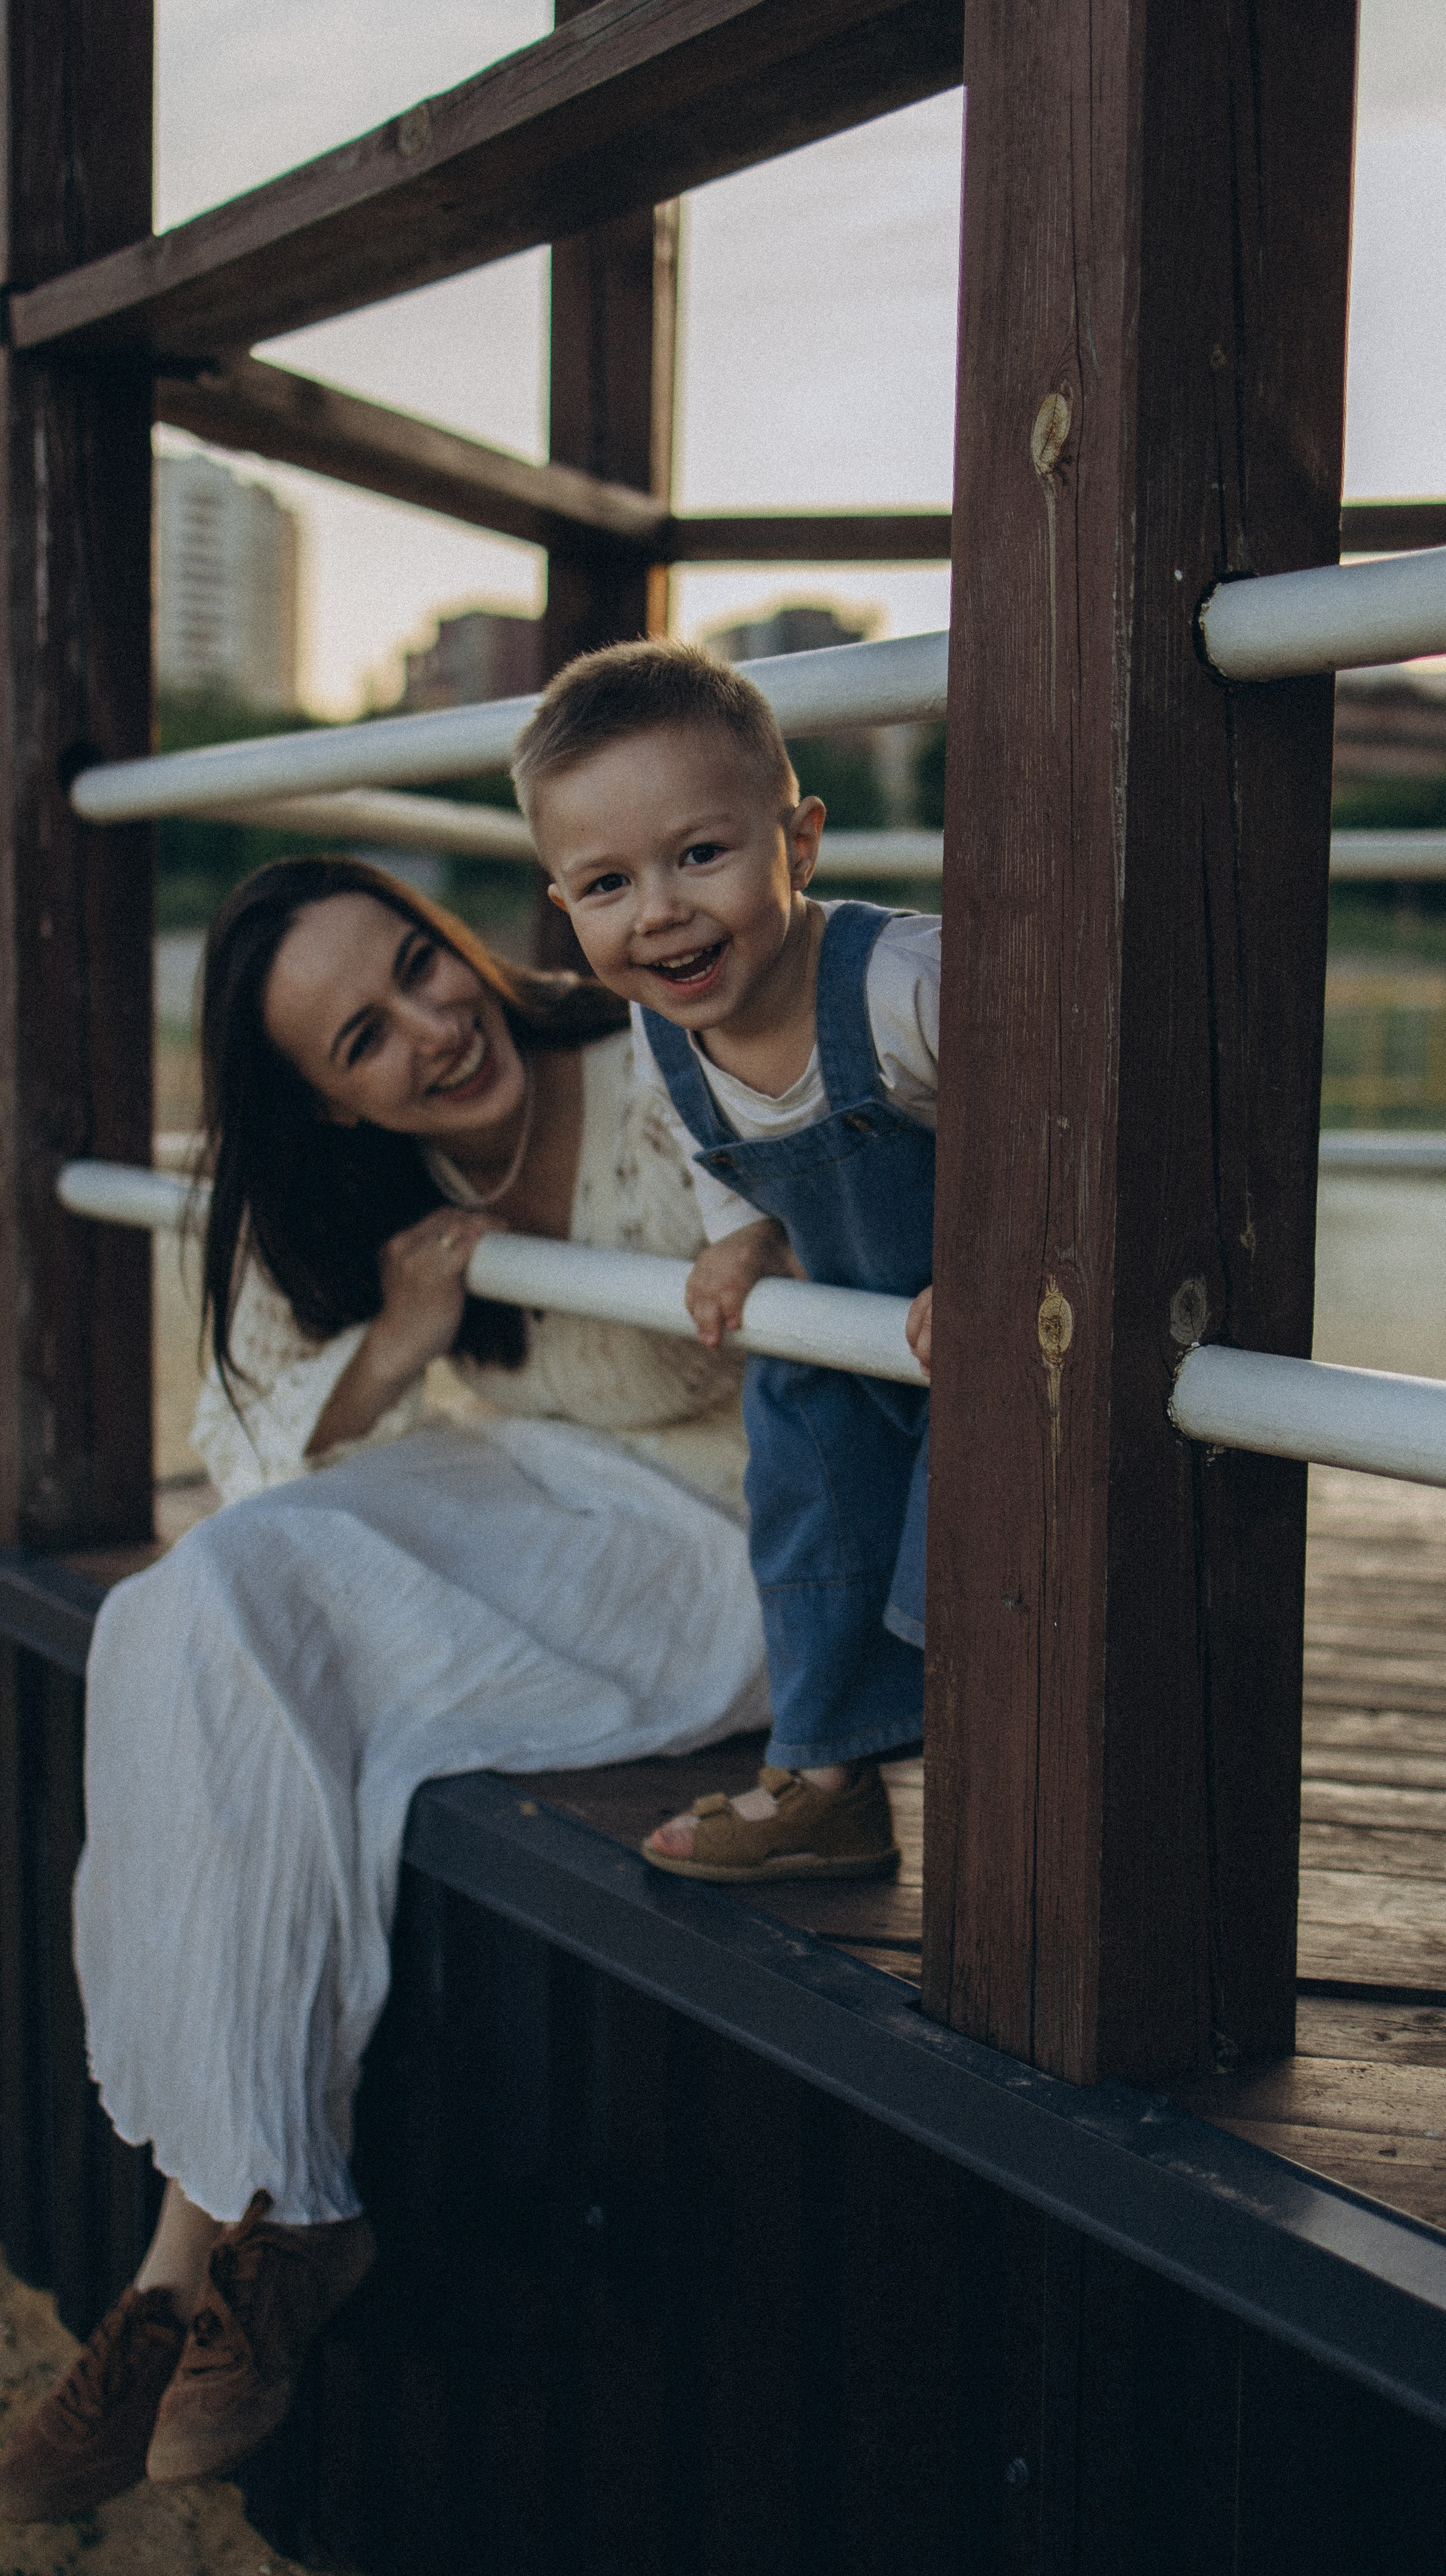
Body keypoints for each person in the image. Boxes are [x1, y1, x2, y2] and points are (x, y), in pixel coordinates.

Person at [0, 856, 769, 2522]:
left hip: (730, 1542)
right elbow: (245, 1448)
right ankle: (249, 2238)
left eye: (420, 964)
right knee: (197, 1598)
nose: (431, 1026)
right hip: (538, 1484)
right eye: (364, 1037)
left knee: (301, 1663)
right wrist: (408, 1329)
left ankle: (194, 2261)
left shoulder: (656, 1070)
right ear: (329, 1104)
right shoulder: (375, 1184)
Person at [520, 642, 937, 1890]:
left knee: (979, 1523)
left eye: (699, 854)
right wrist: (740, 1235)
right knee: (800, 1483)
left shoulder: (903, 986)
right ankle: (825, 1781)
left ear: (798, 846)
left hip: (994, 1326)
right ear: (565, 906)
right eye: (608, 883)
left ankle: (1007, 1764)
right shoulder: (662, 1026)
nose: (657, 909)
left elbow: (1057, 1105)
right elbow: (724, 1153)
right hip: (852, 1330)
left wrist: (1002, 1257)